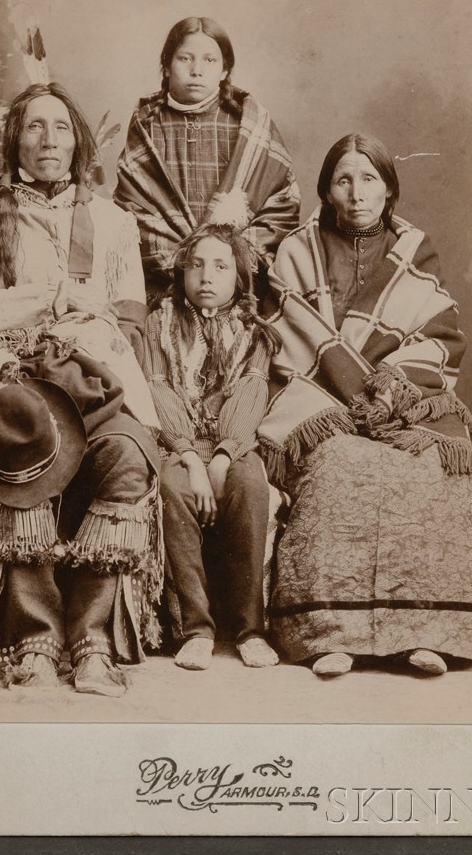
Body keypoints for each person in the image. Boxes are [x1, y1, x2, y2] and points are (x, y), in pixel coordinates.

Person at [0, 82, 163, 697]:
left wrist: (89, 325)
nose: (48, 140)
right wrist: (44, 300)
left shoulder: (114, 223)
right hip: (5, 374)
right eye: (35, 127)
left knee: (125, 453)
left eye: (60, 128)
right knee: (22, 428)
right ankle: (35, 640)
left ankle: (92, 642)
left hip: (93, 378)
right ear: (15, 140)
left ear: (78, 140)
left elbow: (133, 320)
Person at [258, 133, 472, 677]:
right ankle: (328, 634)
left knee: (438, 473)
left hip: (404, 402)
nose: (356, 192)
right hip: (320, 395)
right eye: (343, 179)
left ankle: (430, 635)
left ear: (389, 189)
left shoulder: (416, 250)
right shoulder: (298, 249)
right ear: (326, 189)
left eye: (369, 178)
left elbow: (440, 335)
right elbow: (291, 333)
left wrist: (391, 387)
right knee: (337, 469)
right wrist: (353, 390)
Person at [143, 224, 282, 670]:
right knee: (172, 487)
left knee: (251, 487)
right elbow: (158, 391)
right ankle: (196, 629)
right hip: (176, 444)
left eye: (220, 266)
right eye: (197, 265)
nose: (207, 277)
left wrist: (223, 454)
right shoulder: (159, 324)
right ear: (182, 272)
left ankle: (249, 629)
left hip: (232, 446)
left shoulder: (254, 333)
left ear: (239, 278)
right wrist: (188, 455)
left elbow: (251, 395)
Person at [114, 16, 301, 304]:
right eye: (185, 58)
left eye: (210, 61)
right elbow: (132, 211)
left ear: (225, 70)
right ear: (165, 66)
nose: (197, 70)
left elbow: (281, 205)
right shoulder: (146, 125)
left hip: (241, 288)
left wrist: (229, 264)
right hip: (162, 289)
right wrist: (187, 267)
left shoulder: (249, 124)